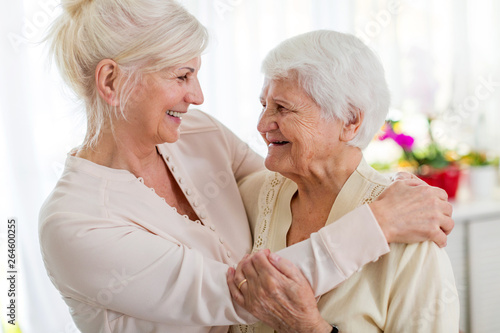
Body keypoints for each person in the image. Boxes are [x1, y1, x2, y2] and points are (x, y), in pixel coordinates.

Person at [39, 1, 454, 332]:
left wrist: (397, 190)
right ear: (111, 82)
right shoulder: (75, 223)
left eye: (196, 74)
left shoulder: (196, 133)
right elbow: (243, 294)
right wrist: (380, 220)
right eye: (182, 75)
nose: (197, 95)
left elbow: (292, 174)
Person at [228, 30, 459, 332]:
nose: (262, 125)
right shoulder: (251, 196)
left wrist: (308, 327)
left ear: (350, 120)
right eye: (264, 105)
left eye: (282, 108)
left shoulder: (413, 235)